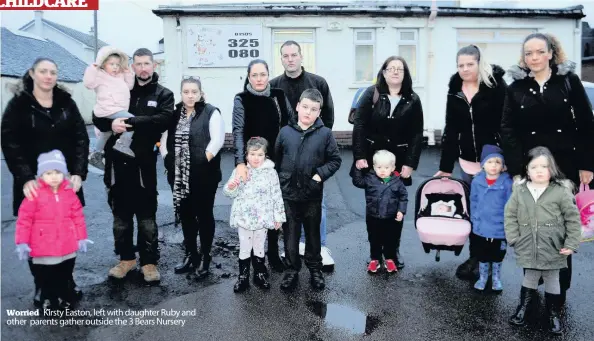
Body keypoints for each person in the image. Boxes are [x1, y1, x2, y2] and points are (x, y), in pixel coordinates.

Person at [501, 33, 594, 302]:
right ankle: (530, 288)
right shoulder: (515, 87)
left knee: (560, 228)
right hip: (531, 169)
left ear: (551, 53)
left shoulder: (568, 81)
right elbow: (507, 129)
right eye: (528, 53)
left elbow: (587, 124)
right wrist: (517, 169)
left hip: (564, 165)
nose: (534, 58)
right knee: (531, 227)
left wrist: (587, 165)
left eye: (539, 52)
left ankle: (558, 293)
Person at [1, 57, 89, 307]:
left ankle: (67, 281)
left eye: (53, 71)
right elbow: (10, 142)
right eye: (43, 71)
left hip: (65, 183)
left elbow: (81, 138)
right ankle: (42, 285)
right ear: (32, 73)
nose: (48, 76)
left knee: (67, 231)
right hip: (33, 183)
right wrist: (25, 177)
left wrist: (78, 172)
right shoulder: (19, 105)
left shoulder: (67, 103)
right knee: (37, 235)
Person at [93, 48, 174, 284]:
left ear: (154, 65)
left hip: (143, 166)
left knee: (147, 218)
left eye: (147, 63)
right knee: (120, 217)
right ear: (133, 67)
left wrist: (132, 122)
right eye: (138, 64)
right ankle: (126, 259)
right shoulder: (120, 88)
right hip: (116, 165)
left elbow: (164, 119)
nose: (143, 68)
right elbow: (97, 115)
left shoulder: (163, 94)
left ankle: (149, 263)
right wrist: (112, 122)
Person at [434, 45, 508, 280]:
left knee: (493, 213)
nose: (465, 69)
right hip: (467, 163)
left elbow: (507, 124)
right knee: (474, 212)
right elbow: (451, 129)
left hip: (494, 162)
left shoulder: (496, 87)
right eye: (460, 65)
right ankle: (476, 257)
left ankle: (492, 258)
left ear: (479, 63)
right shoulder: (455, 89)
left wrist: (508, 158)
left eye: (469, 64)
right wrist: (446, 167)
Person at [351, 56, 424, 269]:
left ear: (405, 74)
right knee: (374, 208)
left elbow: (417, 134)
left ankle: (392, 251)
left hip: (398, 163)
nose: (394, 72)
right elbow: (360, 125)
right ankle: (375, 253)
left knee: (395, 209)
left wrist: (410, 163)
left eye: (399, 69)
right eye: (390, 68)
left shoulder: (413, 99)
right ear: (383, 72)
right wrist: (360, 155)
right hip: (374, 162)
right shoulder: (371, 94)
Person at [270, 40, 336, 270]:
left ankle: (321, 246)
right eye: (285, 55)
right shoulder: (274, 85)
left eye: (294, 55)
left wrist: (320, 144)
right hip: (287, 151)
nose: (290, 59)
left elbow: (328, 116)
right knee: (290, 203)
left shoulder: (318, 82)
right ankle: (294, 245)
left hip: (314, 151)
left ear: (301, 56)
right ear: (281, 59)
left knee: (318, 201)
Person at [505, 146, 581, 336]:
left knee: (552, 280)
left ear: (552, 169)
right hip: (528, 245)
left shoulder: (561, 192)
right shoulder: (520, 191)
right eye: (534, 166)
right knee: (529, 277)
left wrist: (571, 243)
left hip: (554, 246)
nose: (539, 170)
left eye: (544, 166)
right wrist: (513, 237)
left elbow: (572, 219)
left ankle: (553, 313)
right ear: (527, 170)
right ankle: (523, 307)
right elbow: (510, 214)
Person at [275, 89, 342, 291]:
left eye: (313, 109)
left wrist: (319, 175)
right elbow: (277, 160)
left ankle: (315, 269)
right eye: (305, 107)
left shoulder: (325, 134)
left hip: (312, 195)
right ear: (297, 107)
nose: (308, 112)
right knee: (291, 236)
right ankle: (292, 271)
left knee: (313, 235)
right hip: (288, 195)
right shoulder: (285, 132)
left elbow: (335, 160)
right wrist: (280, 183)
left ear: (319, 112)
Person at [231, 59, 293, 272]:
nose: (259, 79)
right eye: (254, 75)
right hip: (252, 162)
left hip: (276, 162)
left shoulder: (279, 96)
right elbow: (238, 131)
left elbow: (290, 125)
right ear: (249, 77)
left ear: (268, 75)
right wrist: (240, 162)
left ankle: (274, 254)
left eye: (262, 74)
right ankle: (250, 259)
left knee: (273, 207)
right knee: (253, 210)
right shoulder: (241, 99)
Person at [161, 77, 224, 280]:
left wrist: (200, 161)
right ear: (181, 93)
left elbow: (217, 141)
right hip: (178, 175)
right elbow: (163, 139)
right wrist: (167, 158)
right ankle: (191, 255)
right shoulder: (173, 114)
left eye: (194, 92)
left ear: (200, 93)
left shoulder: (211, 112)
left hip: (204, 175)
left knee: (204, 216)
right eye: (186, 92)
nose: (190, 96)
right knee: (186, 215)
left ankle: (206, 257)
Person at [14, 150, 91, 312]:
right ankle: (48, 298)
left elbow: (77, 216)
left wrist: (81, 237)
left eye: (57, 172)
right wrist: (22, 242)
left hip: (66, 245)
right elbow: (24, 220)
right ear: (41, 175)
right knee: (46, 276)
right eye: (49, 173)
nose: (54, 176)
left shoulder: (69, 193)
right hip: (43, 247)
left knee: (64, 274)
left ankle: (64, 297)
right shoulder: (34, 194)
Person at [223, 137, 286, 293]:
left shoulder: (271, 173)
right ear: (246, 155)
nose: (255, 158)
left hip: (262, 219)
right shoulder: (241, 170)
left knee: (259, 246)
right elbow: (229, 192)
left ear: (265, 156)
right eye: (252, 154)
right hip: (245, 218)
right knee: (245, 247)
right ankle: (243, 277)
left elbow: (276, 195)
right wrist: (232, 186)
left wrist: (278, 217)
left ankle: (259, 273)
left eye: (259, 154)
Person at [352, 150, 408, 274]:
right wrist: (357, 168)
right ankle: (375, 259)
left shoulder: (397, 181)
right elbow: (357, 182)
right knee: (374, 238)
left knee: (391, 239)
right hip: (373, 216)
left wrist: (401, 211)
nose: (382, 170)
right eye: (379, 167)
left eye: (386, 167)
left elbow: (403, 197)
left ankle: (389, 259)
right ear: (374, 167)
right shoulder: (369, 178)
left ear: (393, 168)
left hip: (391, 217)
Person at [469, 145, 512, 291]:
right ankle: (483, 277)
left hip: (499, 228)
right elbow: (473, 201)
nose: (493, 166)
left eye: (497, 162)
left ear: (503, 166)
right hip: (481, 227)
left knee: (497, 255)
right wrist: (474, 219)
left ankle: (496, 278)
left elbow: (510, 205)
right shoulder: (477, 181)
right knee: (482, 254)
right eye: (489, 162)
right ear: (482, 165)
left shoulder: (507, 183)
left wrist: (508, 224)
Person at [84, 46, 135, 168]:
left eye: (117, 64)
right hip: (107, 109)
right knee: (132, 121)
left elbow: (130, 86)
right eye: (111, 64)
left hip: (118, 109)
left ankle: (95, 154)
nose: (115, 67)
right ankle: (122, 145)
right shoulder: (99, 75)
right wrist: (94, 68)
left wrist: (127, 72)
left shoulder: (120, 75)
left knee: (105, 133)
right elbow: (88, 84)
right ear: (103, 64)